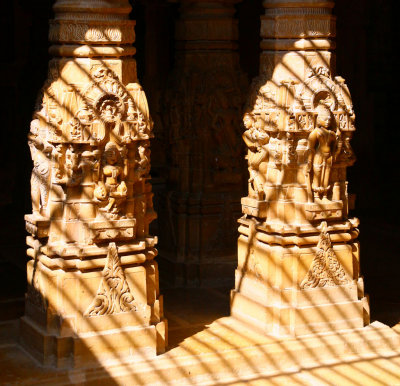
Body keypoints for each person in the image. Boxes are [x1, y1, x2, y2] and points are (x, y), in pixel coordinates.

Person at [307, 104, 341, 200]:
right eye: (325, 119)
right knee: (317, 175)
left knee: (326, 175)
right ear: (319, 120)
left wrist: (335, 153)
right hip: (319, 156)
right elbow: (311, 148)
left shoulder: (331, 134)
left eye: (329, 120)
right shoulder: (316, 132)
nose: (327, 122)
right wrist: (309, 161)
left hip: (329, 156)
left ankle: (325, 195)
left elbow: (336, 145)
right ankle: (317, 196)